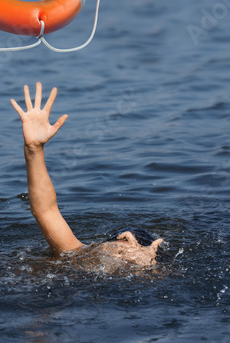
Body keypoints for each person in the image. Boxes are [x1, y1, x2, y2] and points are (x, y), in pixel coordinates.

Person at [11, 82, 163, 268]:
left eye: (127, 244)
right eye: (122, 244)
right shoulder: (79, 255)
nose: (125, 252)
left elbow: (46, 211)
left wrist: (150, 269)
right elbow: (45, 210)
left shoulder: (149, 269)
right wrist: (33, 149)